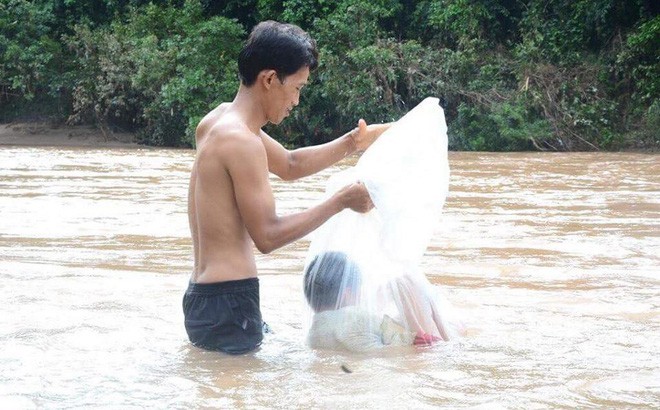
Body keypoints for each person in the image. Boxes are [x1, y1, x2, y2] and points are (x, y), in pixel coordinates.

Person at [182, 21, 391, 354]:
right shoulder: (242, 142)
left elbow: (290, 165)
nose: (297, 100)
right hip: (229, 302)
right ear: (269, 79)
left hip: (205, 299)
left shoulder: (218, 121)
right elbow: (267, 236)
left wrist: (354, 142)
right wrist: (340, 201)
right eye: (297, 88)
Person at [303, 252, 457, 352]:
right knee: (406, 283)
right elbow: (417, 341)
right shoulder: (357, 317)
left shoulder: (312, 335)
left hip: (348, 368)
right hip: (386, 362)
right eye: (358, 289)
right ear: (346, 293)